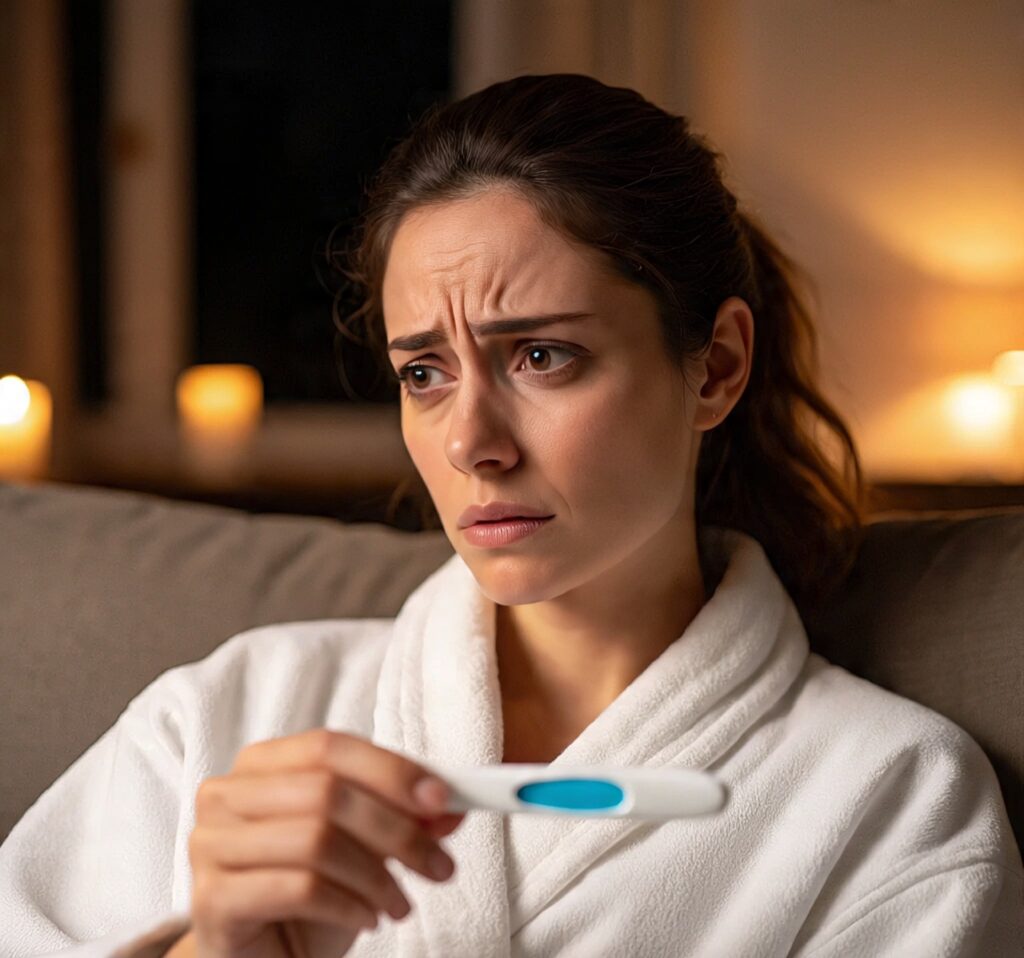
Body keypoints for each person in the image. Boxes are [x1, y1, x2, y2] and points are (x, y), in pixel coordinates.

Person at [1, 73, 1021, 957]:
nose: (468, 441)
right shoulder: (229, 717)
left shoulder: (891, 797)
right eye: (424, 372)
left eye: (541, 355)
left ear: (714, 367)